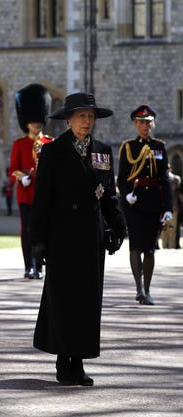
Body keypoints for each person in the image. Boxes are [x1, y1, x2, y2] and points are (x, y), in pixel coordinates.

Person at [31, 92, 126, 387]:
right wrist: (39, 241)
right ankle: (63, 359)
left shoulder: (102, 152)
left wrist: (119, 228)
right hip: (62, 234)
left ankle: (79, 361)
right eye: (81, 116)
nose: (87, 122)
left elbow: (109, 194)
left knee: (87, 300)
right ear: (69, 120)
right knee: (63, 298)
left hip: (91, 234)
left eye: (90, 117)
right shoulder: (53, 151)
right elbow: (41, 200)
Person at [117, 105, 173, 305]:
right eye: (141, 122)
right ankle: (138, 288)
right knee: (135, 247)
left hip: (153, 204)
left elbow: (165, 180)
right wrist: (126, 195)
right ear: (135, 124)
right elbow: (122, 179)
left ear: (152, 124)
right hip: (134, 202)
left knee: (149, 249)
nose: (144, 126)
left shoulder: (159, 147)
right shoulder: (128, 147)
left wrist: (168, 208)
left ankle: (147, 290)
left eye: (148, 122)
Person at [8, 84, 53, 279]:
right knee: (26, 231)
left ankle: (40, 265)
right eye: (33, 121)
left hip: (44, 194)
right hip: (26, 194)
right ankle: (29, 266)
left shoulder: (49, 143)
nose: (36, 124)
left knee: (43, 230)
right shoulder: (20, 144)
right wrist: (22, 177)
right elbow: (12, 169)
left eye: (38, 121)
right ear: (26, 122)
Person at [160, 165, 180, 248]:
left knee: (165, 229)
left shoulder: (162, 179)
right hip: (172, 207)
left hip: (165, 207)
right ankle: (170, 246)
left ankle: (166, 246)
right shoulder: (175, 179)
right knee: (171, 228)